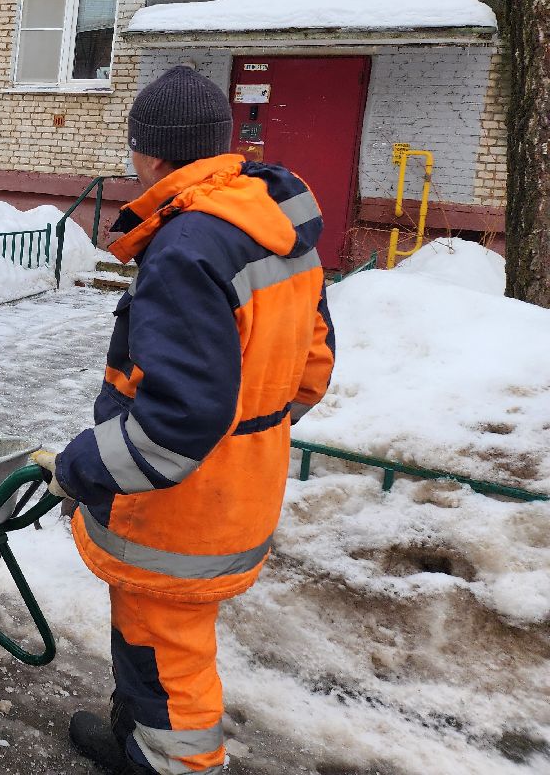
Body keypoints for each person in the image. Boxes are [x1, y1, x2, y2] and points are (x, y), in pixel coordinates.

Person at [45, 65, 335, 774]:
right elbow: (313, 369)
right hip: (242, 489)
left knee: (167, 659)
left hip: (176, 513)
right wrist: (250, 437)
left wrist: (79, 468)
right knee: (151, 642)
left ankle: (172, 763)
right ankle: (132, 737)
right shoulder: (266, 226)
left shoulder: (187, 249)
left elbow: (175, 426)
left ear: (151, 153)